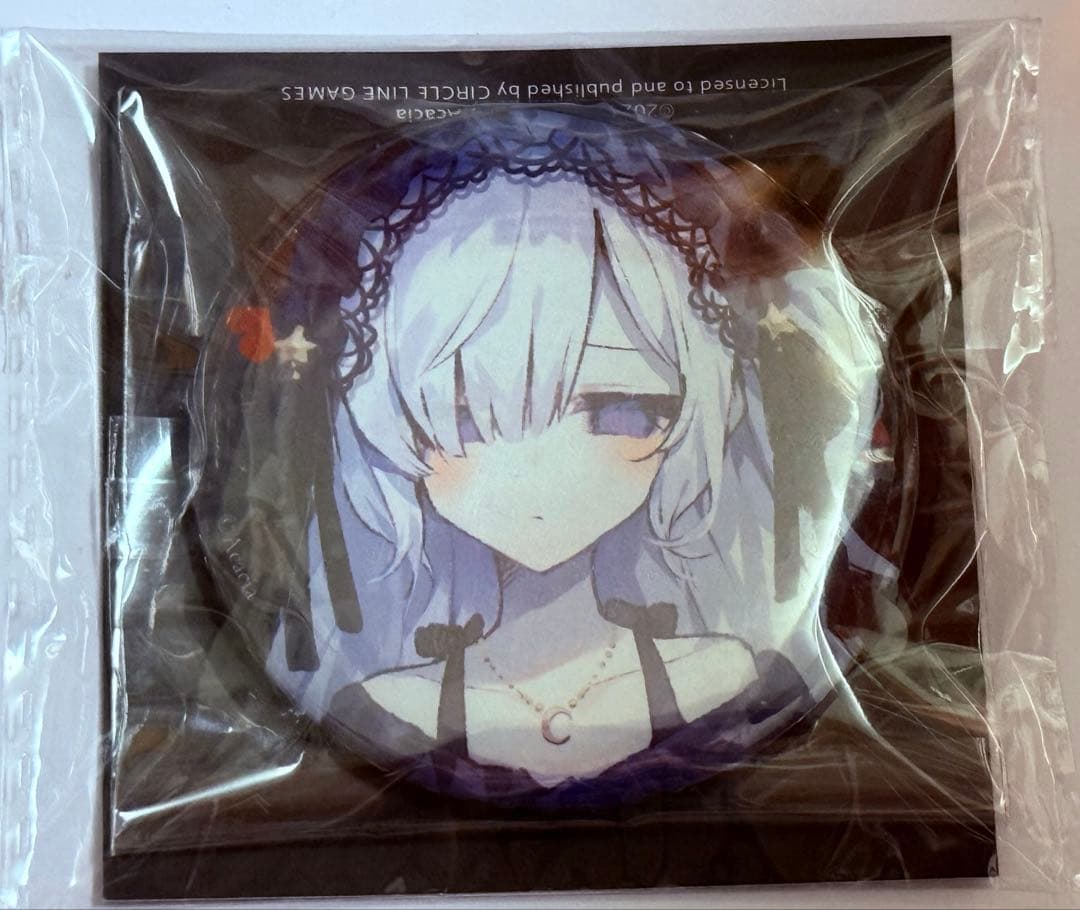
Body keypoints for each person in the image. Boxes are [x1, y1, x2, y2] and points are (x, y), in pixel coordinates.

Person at [203, 106, 885, 804]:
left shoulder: (726, 672)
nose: (544, 468)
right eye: (467, 417)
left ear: (694, 413)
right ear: (388, 420)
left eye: (621, 410)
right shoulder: (387, 701)